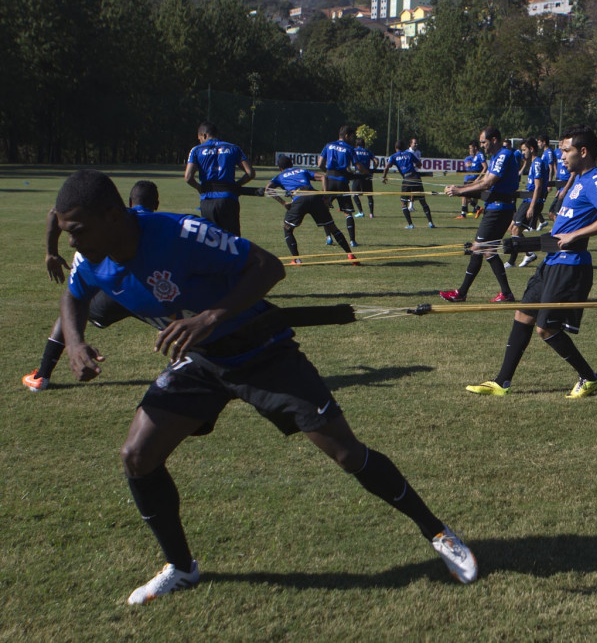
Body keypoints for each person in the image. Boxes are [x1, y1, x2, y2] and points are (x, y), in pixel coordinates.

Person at [53, 169, 476, 604]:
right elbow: (73, 294)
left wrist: (209, 317)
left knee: (346, 451)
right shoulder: (92, 257)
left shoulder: (180, 232)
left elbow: (268, 266)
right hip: (201, 362)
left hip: (261, 351)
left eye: (77, 230)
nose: (71, 243)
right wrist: (76, 341)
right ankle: (180, 567)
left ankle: (438, 532)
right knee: (137, 456)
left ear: (111, 216)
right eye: (67, 232)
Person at [467, 125, 597, 398]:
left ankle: (589, 377)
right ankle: (502, 382)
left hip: (569, 267)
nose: (561, 157)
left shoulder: (595, 179)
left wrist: (576, 234)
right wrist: (516, 243)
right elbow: (559, 234)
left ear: (583, 152)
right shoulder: (577, 180)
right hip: (552, 261)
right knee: (523, 314)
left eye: (566, 151)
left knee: (545, 328)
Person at [22, 180, 158, 392]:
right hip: (152, 296)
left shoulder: (105, 229)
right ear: (157, 204)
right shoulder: (158, 225)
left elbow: (53, 213)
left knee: (73, 307)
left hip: (112, 295)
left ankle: (42, 376)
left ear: (129, 202)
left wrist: (51, 253)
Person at [440, 126, 521, 303]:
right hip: (496, 208)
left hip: (499, 210)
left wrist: (460, 191)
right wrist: (460, 188)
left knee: (477, 248)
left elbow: (488, 183)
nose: (482, 146)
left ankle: (461, 293)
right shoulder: (495, 157)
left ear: (494, 140)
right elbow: (484, 182)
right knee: (489, 250)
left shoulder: (504, 155)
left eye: (484, 142)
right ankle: (506, 293)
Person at [267, 155, 359, 266]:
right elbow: (323, 177)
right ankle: (350, 255)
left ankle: (296, 260)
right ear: (291, 164)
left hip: (299, 198)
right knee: (332, 228)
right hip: (315, 197)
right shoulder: (302, 170)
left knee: (287, 229)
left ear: (280, 168)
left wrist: (284, 203)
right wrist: (325, 197)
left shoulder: (280, 176)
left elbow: (268, 189)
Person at [184, 122, 255, 237]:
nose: (200, 141)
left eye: (200, 138)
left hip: (207, 200)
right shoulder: (233, 148)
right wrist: (237, 185)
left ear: (204, 135)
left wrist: (199, 187)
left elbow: (188, 178)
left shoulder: (196, 150)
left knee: (211, 241)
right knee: (233, 241)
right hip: (228, 199)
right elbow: (251, 173)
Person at [317, 125, 361, 248]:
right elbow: (358, 166)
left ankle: (328, 238)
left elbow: (320, 163)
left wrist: (328, 172)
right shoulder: (350, 148)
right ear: (346, 135)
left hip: (329, 180)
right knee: (348, 212)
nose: (352, 139)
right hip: (342, 181)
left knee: (324, 209)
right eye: (351, 136)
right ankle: (352, 241)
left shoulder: (328, 145)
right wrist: (366, 173)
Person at [506, 138, 546, 270]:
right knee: (512, 227)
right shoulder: (533, 163)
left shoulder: (537, 163)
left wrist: (532, 206)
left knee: (516, 229)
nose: (523, 153)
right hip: (527, 200)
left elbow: (538, 187)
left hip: (531, 202)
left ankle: (512, 261)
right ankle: (528, 253)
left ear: (532, 149)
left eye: (524, 150)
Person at [382, 139, 434, 229]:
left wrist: (384, 177)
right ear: (404, 148)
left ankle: (410, 224)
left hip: (406, 179)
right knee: (423, 201)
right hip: (416, 178)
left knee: (403, 203)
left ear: (395, 148)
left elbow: (387, 166)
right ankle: (430, 223)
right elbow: (419, 164)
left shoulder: (393, 156)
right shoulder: (410, 154)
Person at [455, 141, 485, 219]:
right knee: (464, 194)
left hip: (473, 179)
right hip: (470, 178)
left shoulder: (480, 155)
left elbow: (485, 167)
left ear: (475, 147)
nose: (470, 150)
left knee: (463, 193)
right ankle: (464, 213)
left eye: (471, 148)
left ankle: (477, 208)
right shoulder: (475, 157)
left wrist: (479, 178)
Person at [350, 136, 376, 219]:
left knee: (354, 193)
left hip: (358, 174)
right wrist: (373, 169)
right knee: (369, 195)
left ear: (356, 144)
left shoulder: (354, 151)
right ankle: (371, 213)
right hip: (367, 175)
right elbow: (376, 161)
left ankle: (361, 212)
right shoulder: (368, 151)